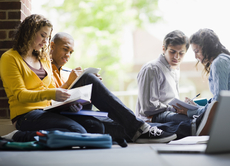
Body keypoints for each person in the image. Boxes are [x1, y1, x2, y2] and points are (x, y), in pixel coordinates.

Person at [0, 14, 177, 145]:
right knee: (78, 131)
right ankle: (17, 135)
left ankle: (141, 129)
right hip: (26, 116)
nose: (46, 41)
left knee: (94, 112)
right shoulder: (10, 58)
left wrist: (72, 85)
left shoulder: (43, 58)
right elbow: (20, 95)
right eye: (43, 35)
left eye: (48, 36)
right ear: (29, 32)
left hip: (48, 111)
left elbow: (56, 92)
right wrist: (54, 92)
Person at [136, 30, 191, 124]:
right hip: (151, 119)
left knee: (196, 114)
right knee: (191, 120)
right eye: (172, 52)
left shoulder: (175, 69)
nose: (176, 57)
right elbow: (148, 108)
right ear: (164, 49)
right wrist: (175, 108)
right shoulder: (152, 69)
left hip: (167, 113)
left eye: (181, 53)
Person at [174, 28, 230, 119]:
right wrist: (197, 107)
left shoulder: (219, 63)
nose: (195, 57)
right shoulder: (223, 60)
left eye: (196, 51)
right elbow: (217, 101)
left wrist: (190, 112)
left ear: (207, 48)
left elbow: (219, 104)